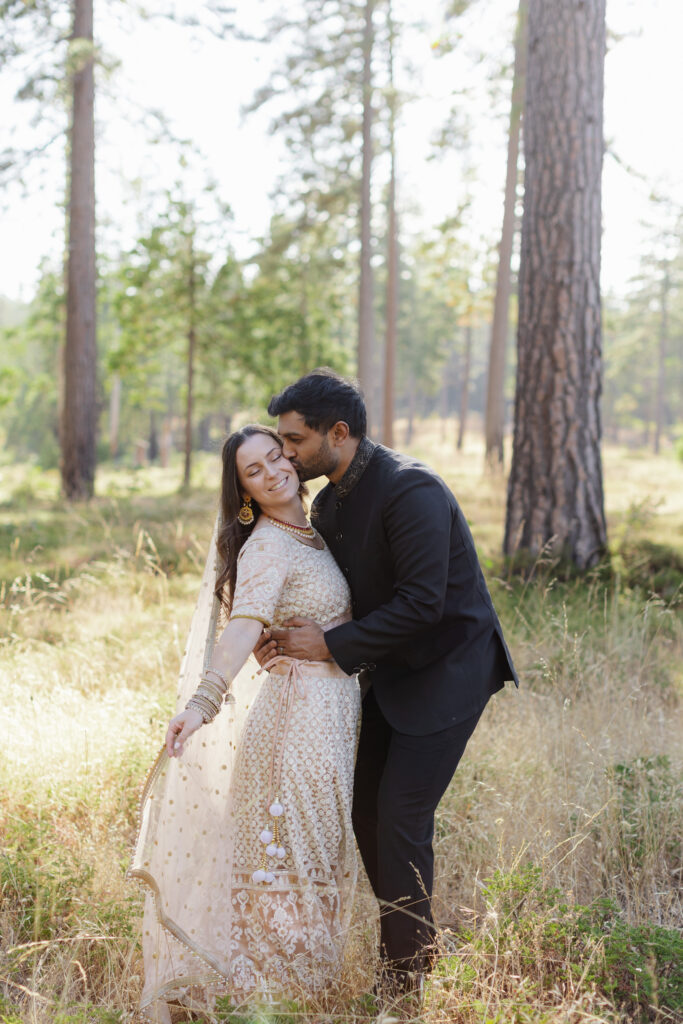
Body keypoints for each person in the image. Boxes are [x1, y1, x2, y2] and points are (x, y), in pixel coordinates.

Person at [257, 369, 519, 1005]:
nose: (285, 453)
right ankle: (418, 944)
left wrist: (330, 645)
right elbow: (341, 593)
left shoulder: (411, 490)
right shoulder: (328, 500)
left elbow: (424, 604)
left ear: (338, 434)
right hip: (387, 671)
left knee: (400, 817)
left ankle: (404, 983)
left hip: (450, 670)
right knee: (364, 811)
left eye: (294, 439)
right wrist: (283, 628)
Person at [129, 425, 360, 1021]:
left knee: (317, 864)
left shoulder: (312, 532)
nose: (272, 471)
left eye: (276, 457)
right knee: (287, 868)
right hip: (295, 729)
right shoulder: (268, 547)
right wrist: (202, 704)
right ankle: (269, 1004)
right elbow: (243, 627)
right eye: (252, 471)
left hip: (331, 720)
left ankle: (302, 1001)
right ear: (245, 494)